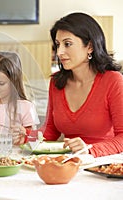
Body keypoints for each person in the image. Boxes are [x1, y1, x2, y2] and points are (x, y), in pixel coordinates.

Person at [42, 12, 123, 157]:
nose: (59, 52)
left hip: (102, 164)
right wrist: (26, 136)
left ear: (90, 46)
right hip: (68, 161)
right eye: (58, 45)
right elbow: (50, 131)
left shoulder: (113, 81)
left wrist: (90, 149)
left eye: (67, 44)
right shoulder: (56, 81)